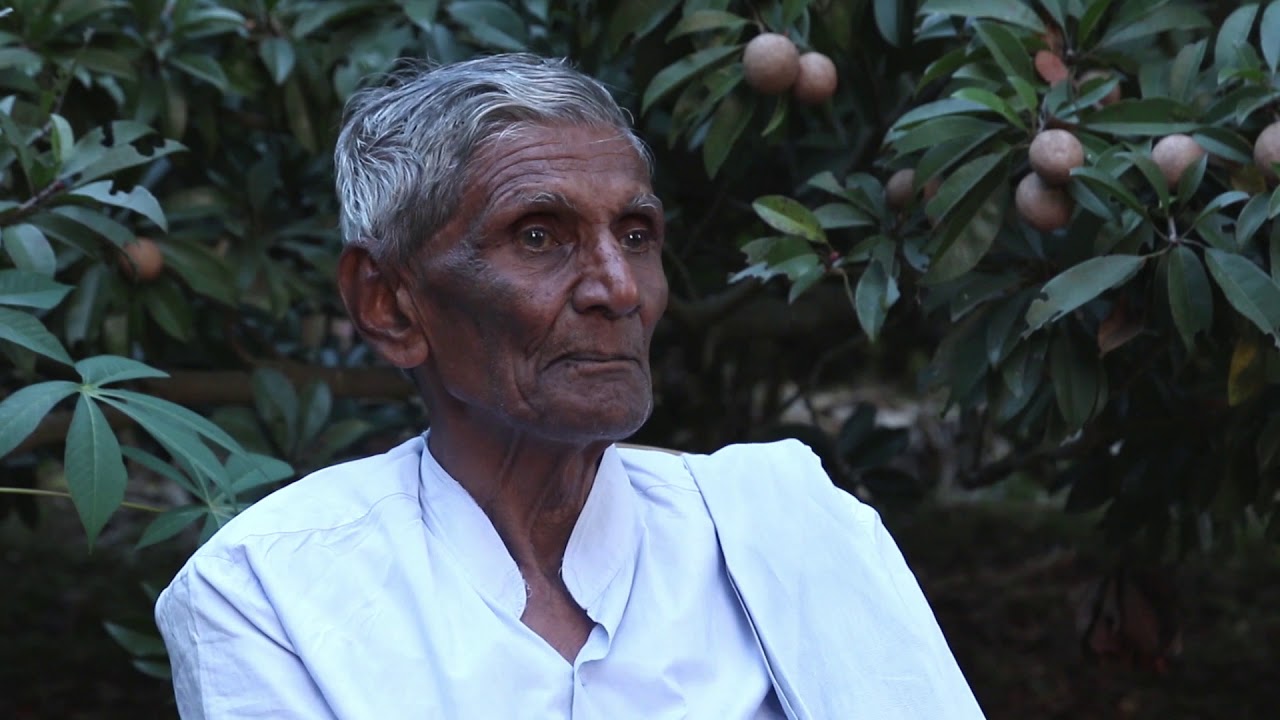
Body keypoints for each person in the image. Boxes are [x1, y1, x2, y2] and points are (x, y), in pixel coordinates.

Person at [155, 53, 984, 719]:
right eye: (540, 235)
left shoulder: (789, 523)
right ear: (389, 303)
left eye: (636, 233)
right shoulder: (269, 589)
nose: (617, 287)